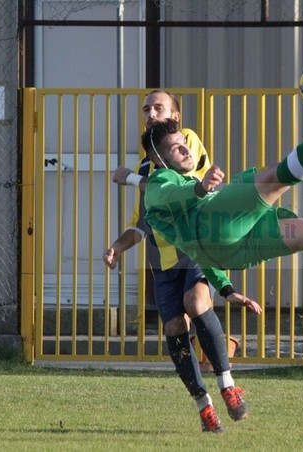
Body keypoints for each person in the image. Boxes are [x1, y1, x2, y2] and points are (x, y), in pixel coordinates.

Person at [142, 80, 303, 310]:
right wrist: (201, 188)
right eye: (177, 149)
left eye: (185, 145)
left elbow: (198, 250)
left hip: (230, 253)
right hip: (218, 226)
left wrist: (225, 289)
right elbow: (171, 195)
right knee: (272, 178)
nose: (188, 152)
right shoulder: (159, 182)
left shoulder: (180, 190)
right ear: (157, 158)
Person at [104, 90, 254, 433]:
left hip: (196, 246)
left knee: (197, 301)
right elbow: (142, 222)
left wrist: (130, 178)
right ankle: (204, 405)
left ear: (176, 115)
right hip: (163, 260)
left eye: (159, 107)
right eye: (146, 108)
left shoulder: (186, 141)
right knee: (173, 328)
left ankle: (229, 386)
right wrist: (117, 246)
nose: (151, 113)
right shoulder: (148, 162)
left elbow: (186, 182)